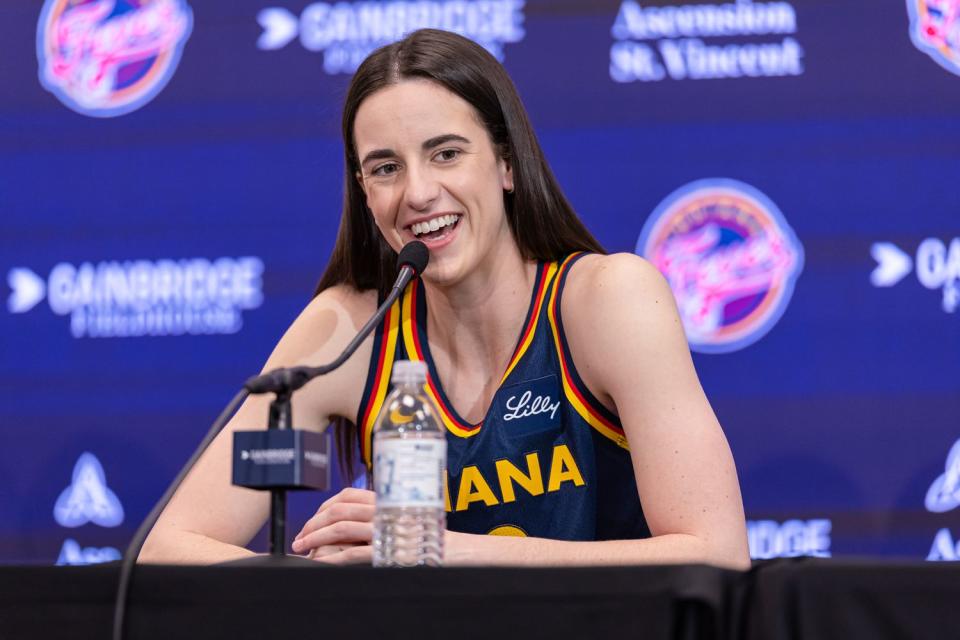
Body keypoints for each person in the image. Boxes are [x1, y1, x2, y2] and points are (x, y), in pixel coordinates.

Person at [140, 29, 750, 569]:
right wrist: (329, 580)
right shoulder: (348, 332)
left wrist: (445, 551)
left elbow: (715, 551)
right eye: (385, 168)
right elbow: (174, 546)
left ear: (506, 162)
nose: (419, 193)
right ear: (364, 191)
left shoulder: (606, 299)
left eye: (447, 153)